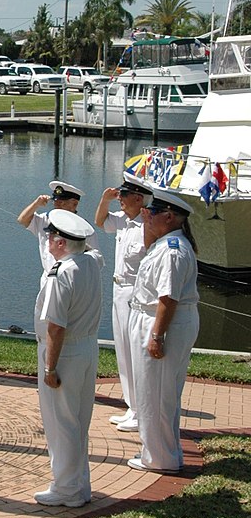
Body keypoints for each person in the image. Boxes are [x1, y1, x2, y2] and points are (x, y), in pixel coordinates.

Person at [126, 188, 199, 474]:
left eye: (153, 213)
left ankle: (160, 458)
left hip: (162, 322)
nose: (148, 216)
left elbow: (168, 298)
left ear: (169, 217)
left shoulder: (172, 251)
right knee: (158, 391)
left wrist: (157, 336)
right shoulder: (165, 243)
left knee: (155, 392)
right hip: (155, 319)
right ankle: (163, 449)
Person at [33, 209, 102, 507]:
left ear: (61, 243)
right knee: (78, 420)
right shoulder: (90, 263)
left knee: (61, 422)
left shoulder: (60, 273)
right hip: (87, 348)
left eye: (52, 235)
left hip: (66, 353)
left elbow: (56, 326)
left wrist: (50, 366)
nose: (47, 239)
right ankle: (79, 484)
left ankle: (66, 488)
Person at [94, 173, 154, 431]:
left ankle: (142, 410)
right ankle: (132, 406)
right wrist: (104, 200)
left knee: (135, 350)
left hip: (136, 293)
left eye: (124, 195)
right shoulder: (124, 221)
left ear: (139, 199)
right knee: (122, 350)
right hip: (119, 290)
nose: (120, 199)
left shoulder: (147, 225)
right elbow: (100, 222)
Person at [17, 180, 102, 273]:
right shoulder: (46, 219)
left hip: (71, 276)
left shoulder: (83, 229)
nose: (57, 205)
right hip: (49, 276)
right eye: (55, 201)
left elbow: (97, 260)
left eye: (62, 202)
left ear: (74, 204)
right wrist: (36, 204)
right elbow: (22, 220)